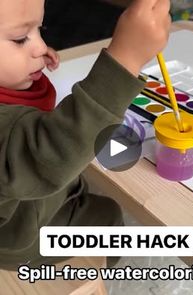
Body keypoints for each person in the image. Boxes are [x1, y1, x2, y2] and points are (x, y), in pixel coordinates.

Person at [0, 0, 170, 270]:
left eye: (39, 30)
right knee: (109, 217)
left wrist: (24, 53)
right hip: (17, 240)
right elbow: (52, 154)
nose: (41, 47)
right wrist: (126, 59)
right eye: (20, 38)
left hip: (30, 201)